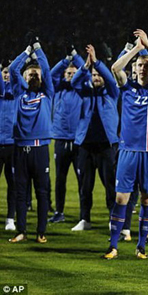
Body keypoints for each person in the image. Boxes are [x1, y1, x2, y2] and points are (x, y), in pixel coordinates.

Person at [103, 29, 148, 259]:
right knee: (121, 198)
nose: (143, 68)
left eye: (147, 66)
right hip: (128, 152)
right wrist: (135, 49)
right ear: (135, 68)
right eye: (140, 65)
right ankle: (113, 245)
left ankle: (141, 245)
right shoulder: (127, 88)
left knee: (147, 198)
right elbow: (115, 69)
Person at [9, 34, 54, 243]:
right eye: (30, 73)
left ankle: (41, 231)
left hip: (40, 150)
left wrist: (38, 47)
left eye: (36, 73)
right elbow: (12, 70)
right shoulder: (19, 92)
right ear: (24, 77)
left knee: (42, 192)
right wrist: (27, 52)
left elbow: (45, 68)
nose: (34, 75)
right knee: (20, 192)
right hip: (20, 149)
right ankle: (21, 231)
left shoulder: (47, 92)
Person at [71, 44, 119, 231]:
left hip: (106, 146)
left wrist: (97, 63)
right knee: (85, 185)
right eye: (94, 75)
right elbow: (74, 82)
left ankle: (112, 218)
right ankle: (85, 219)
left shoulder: (112, 92)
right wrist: (86, 66)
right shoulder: (84, 91)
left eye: (98, 75)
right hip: (85, 146)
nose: (97, 77)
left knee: (110, 185)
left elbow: (109, 77)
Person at [48, 45, 84, 223]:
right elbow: (50, 74)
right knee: (60, 179)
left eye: (73, 73)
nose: (70, 76)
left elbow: (85, 67)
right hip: (61, 140)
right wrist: (65, 62)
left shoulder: (82, 89)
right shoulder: (57, 90)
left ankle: (84, 216)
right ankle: (59, 212)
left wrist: (75, 57)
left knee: (82, 181)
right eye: (68, 73)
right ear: (64, 75)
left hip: (79, 142)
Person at [0, 62, 17, 231]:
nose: (7, 75)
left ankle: (10, 218)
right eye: (4, 72)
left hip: (13, 145)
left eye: (9, 73)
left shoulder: (17, 92)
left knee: (12, 184)